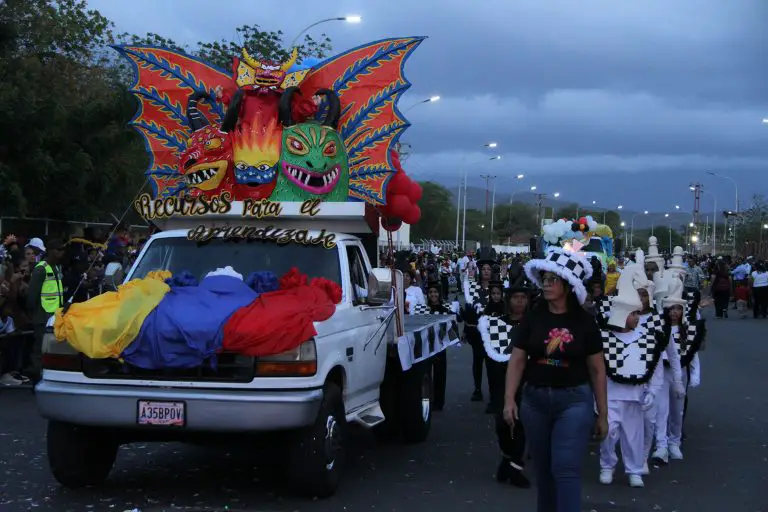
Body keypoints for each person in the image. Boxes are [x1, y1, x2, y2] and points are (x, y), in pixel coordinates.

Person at [504, 247, 608, 512]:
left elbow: (597, 369)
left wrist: (603, 414)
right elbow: (517, 360)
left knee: (565, 468)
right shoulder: (533, 316)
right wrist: (509, 400)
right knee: (544, 471)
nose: (546, 284)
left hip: (573, 401)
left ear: (568, 285)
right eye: (544, 279)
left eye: (553, 280)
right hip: (534, 401)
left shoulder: (584, 322)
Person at [482, 279, 532, 489]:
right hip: (501, 381)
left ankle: (515, 467)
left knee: (521, 425)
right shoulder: (497, 323)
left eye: (523, 298)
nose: (519, 302)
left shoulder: (533, 323)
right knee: (502, 425)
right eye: (515, 298)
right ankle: (507, 458)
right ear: (508, 300)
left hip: (528, 381)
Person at [25, 237, 67, 384]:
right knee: (39, 350)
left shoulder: (55, 268)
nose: (61, 253)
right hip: (42, 317)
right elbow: (31, 296)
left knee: (51, 349)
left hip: (55, 317)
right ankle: (36, 380)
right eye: (58, 250)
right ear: (50, 251)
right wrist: (33, 315)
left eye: (63, 250)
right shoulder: (41, 269)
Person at [463, 251, 495, 402]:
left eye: (489, 269)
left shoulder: (497, 288)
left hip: (492, 331)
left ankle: (492, 391)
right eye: (484, 269)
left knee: (491, 363)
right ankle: (477, 389)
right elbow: (469, 310)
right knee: (477, 361)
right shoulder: (473, 287)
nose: (486, 271)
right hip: (476, 331)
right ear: (480, 271)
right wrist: (466, 329)